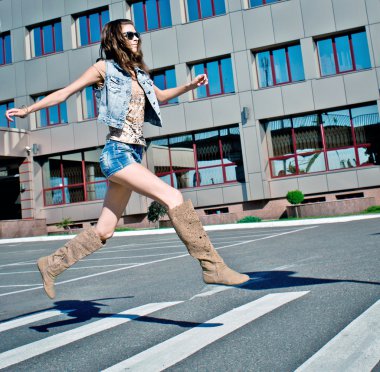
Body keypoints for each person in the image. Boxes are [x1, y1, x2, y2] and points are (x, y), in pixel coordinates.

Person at [6, 19, 249, 299]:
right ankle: (213, 266)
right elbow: (65, 93)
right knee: (173, 197)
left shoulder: (139, 74)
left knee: (104, 231)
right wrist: (28, 109)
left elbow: (160, 96)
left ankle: (51, 265)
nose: (136, 38)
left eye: (137, 34)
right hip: (117, 153)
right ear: (116, 39)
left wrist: (189, 86)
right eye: (130, 34)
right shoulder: (103, 68)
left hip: (133, 153)